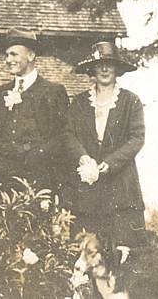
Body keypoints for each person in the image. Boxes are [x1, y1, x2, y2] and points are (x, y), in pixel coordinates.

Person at [64, 41, 146, 294]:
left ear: (117, 69)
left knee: (123, 257)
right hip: (88, 194)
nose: (105, 70)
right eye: (100, 65)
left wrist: (108, 164)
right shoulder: (79, 103)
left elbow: (136, 138)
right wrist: (84, 159)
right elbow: (68, 134)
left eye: (109, 65)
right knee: (86, 256)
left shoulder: (131, 102)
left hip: (121, 190)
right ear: (93, 70)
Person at [0, 28, 69, 189]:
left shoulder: (53, 91)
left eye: (14, 54)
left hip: (40, 177)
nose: (8, 59)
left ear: (31, 55)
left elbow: (63, 135)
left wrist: (39, 154)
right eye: (7, 55)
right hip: (3, 178)